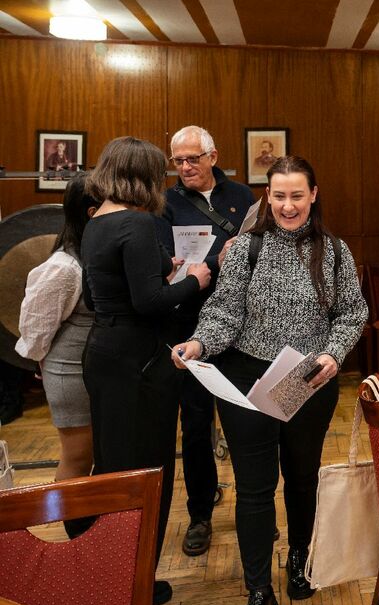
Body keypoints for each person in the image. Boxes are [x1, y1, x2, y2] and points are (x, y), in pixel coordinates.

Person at [171, 156, 367, 605]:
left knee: (301, 476)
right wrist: (198, 344)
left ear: (314, 195)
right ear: (267, 197)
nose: (287, 205)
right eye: (278, 196)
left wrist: (331, 353)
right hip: (245, 381)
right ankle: (259, 593)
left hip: (307, 380)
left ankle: (299, 558)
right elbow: (223, 312)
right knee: (255, 489)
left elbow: (352, 314)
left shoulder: (336, 253)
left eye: (296, 195)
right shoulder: (245, 250)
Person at [81, 136, 212, 605]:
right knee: (145, 480)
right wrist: (195, 279)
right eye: (160, 174)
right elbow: (153, 303)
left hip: (108, 356)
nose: (165, 182)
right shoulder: (135, 222)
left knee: (116, 473)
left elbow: (100, 294)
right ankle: (128, 603)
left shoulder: (97, 221)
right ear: (143, 176)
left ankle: (126, 580)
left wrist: (162, 274)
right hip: (137, 365)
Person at [157, 125, 256, 557]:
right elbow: (166, 268)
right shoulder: (165, 203)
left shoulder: (243, 196)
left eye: (192, 158)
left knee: (246, 424)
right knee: (195, 426)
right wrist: (217, 260)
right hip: (189, 326)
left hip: (241, 327)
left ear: (213, 156)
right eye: (177, 160)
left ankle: (253, 512)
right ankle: (199, 513)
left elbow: (261, 251)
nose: (184, 167)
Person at [16, 175, 98, 512]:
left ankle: (85, 528)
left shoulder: (90, 255)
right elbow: (33, 332)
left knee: (92, 457)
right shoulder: (62, 268)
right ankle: (67, 533)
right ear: (92, 212)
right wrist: (42, 364)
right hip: (69, 374)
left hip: (92, 372)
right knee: (77, 459)